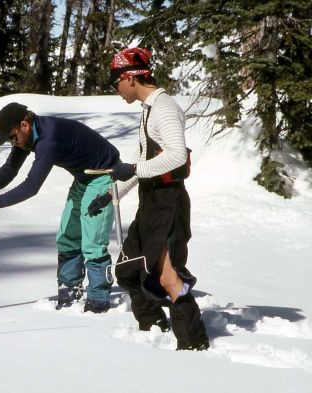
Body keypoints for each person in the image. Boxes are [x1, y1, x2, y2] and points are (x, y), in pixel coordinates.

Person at [92, 47, 209, 350]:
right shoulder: (149, 109)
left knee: (169, 278)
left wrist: (135, 168)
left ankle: (193, 343)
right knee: (128, 270)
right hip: (150, 200)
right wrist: (111, 194)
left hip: (168, 203)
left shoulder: (164, 108)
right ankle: (154, 327)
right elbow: (140, 162)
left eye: (115, 81)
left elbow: (176, 155)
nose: (115, 89)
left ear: (130, 77)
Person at [0, 102, 121, 313]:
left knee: (92, 241)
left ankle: (98, 301)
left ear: (24, 125)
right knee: (67, 237)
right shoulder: (28, 138)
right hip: (83, 179)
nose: (13, 143)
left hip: (103, 177)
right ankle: (69, 291)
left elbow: (32, 186)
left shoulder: (48, 140)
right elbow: (10, 170)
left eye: (12, 137)